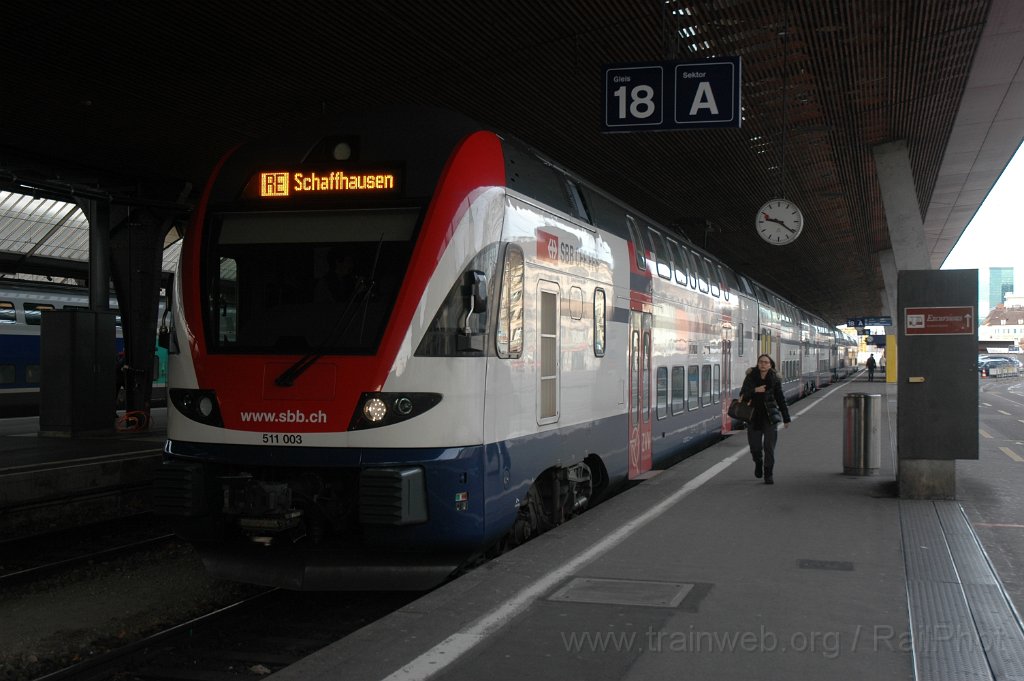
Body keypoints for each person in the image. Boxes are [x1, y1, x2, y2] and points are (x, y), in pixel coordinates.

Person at [738, 354, 791, 484]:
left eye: (766, 362)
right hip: (753, 417)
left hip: (770, 418)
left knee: (769, 448)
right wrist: (755, 390)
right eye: (761, 362)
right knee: (755, 447)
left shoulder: (775, 379)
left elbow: (781, 399)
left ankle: (768, 474)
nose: (763, 364)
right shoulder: (750, 377)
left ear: (770, 365)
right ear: (757, 363)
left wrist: (786, 418)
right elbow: (743, 395)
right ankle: (758, 462)